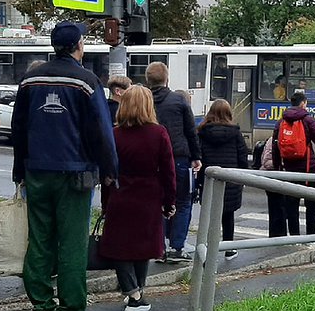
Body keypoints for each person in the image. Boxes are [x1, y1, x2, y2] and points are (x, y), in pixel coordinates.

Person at [11, 22, 119, 311]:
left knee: (40, 238)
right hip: (76, 174)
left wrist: (19, 171)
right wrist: (110, 171)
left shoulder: (30, 80)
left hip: (36, 171)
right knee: (72, 243)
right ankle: (72, 304)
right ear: (78, 46)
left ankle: (42, 301)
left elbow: (18, 128)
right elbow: (101, 132)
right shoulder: (87, 81)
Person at [100, 86, 176, 311]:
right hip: (149, 196)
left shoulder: (114, 134)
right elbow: (168, 171)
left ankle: (133, 293)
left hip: (121, 195)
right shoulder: (159, 132)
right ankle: (138, 293)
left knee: (119, 247)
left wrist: (106, 204)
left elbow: (107, 172)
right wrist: (169, 201)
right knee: (144, 246)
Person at [146, 62, 202, 262]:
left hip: (152, 159)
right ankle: (177, 246)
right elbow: (190, 131)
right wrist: (196, 157)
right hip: (179, 157)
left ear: (148, 80)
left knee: (158, 201)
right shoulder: (178, 101)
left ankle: (159, 246)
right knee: (183, 201)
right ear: (166, 78)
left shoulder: (145, 101)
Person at [272, 91, 315, 236]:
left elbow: (275, 146)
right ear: (303, 103)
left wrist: (277, 168)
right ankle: (310, 236)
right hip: (307, 170)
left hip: (289, 169)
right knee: (312, 204)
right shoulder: (307, 120)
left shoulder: (281, 121)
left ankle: (295, 237)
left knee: (291, 205)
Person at [198, 99, 248, 260]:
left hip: (209, 180)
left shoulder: (202, 132)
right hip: (230, 180)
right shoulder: (235, 133)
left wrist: (200, 180)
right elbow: (242, 157)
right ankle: (229, 248)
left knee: (210, 216)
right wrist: (242, 177)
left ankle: (207, 249)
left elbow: (199, 156)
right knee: (228, 215)